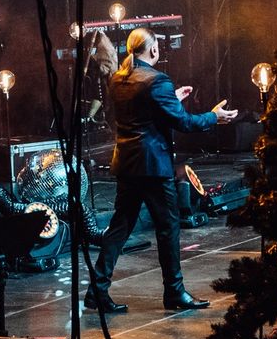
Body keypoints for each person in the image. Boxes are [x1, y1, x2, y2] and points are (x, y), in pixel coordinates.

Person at [87, 27, 237, 313]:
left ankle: (97, 289)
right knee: (168, 227)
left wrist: (172, 99)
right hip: (153, 167)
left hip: (128, 164)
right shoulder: (157, 80)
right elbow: (185, 123)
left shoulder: (118, 78)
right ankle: (174, 292)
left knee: (119, 227)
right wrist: (213, 116)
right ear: (154, 49)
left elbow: (141, 111)